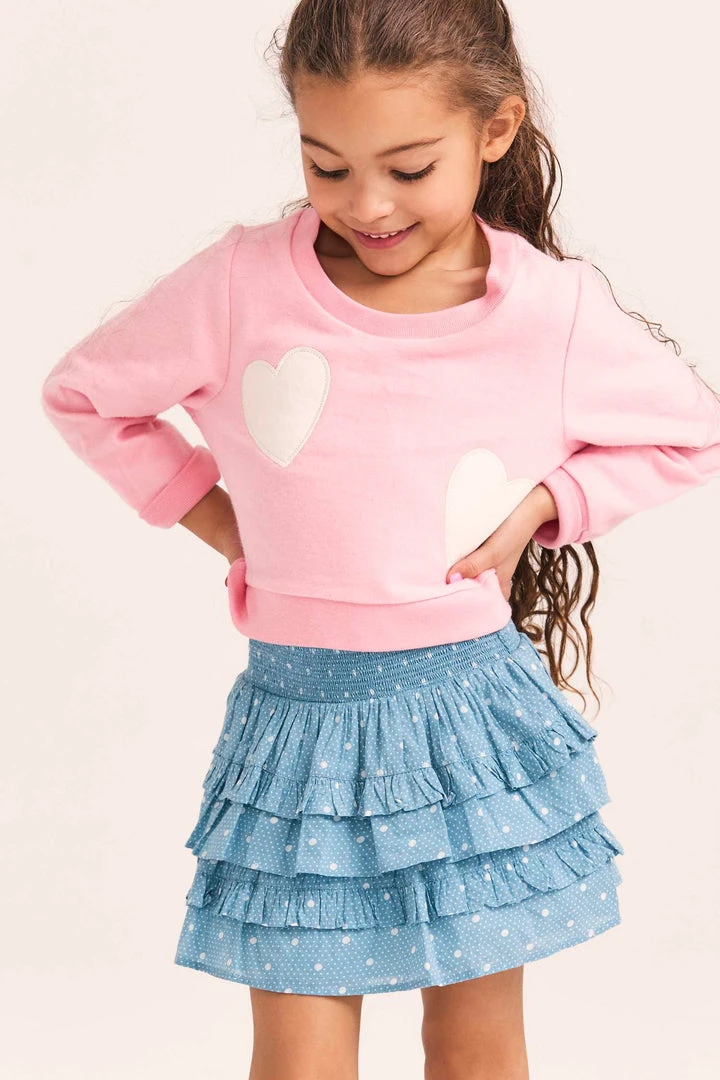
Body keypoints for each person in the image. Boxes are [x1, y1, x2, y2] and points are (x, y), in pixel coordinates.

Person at [40, 2, 720, 1078]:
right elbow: (85, 395)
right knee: (299, 1058)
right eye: (327, 165)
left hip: (471, 728)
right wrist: (220, 520)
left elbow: (694, 433)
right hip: (296, 732)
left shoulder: (547, 310)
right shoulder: (240, 285)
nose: (367, 204)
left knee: (475, 1044)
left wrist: (547, 506)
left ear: (494, 129)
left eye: (409, 168)